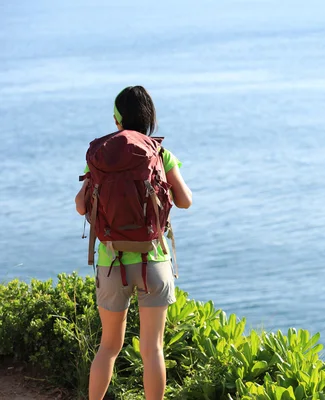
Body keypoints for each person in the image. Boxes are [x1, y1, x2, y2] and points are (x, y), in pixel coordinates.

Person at [74, 86, 192, 400]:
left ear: (117, 119)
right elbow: (185, 201)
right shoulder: (160, 152)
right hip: (153, 261)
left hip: (111, 263)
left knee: (109, 346)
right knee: (152, 349)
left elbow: (80, 205)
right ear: (149, 118)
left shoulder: (101, 155)